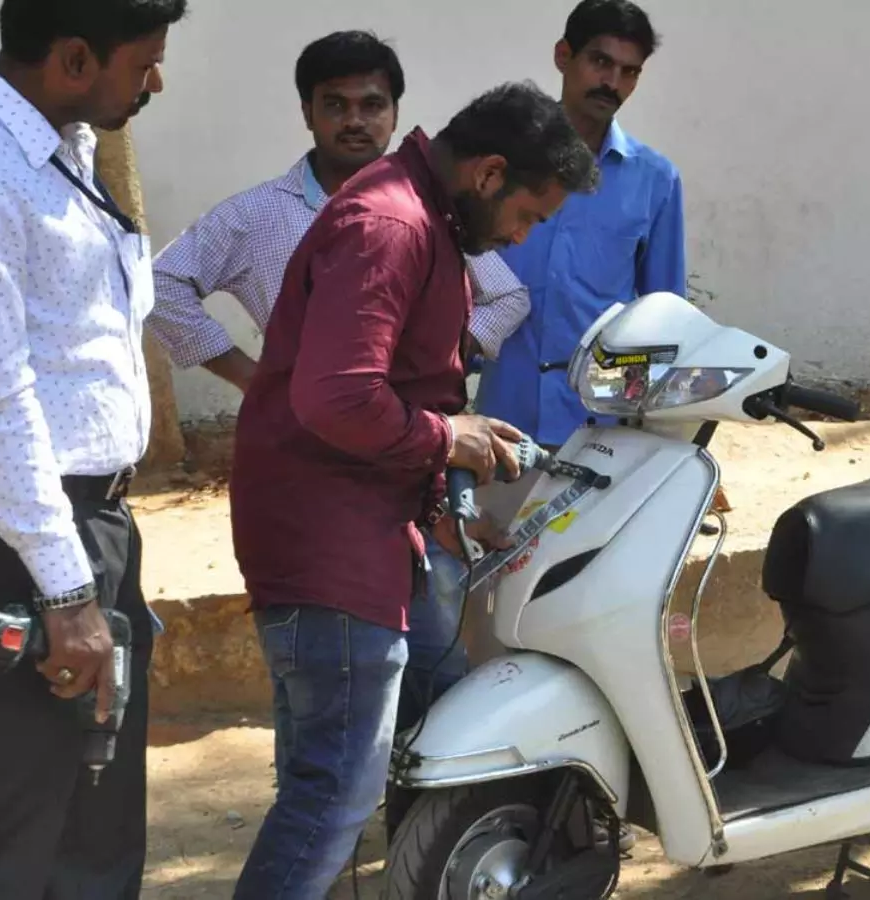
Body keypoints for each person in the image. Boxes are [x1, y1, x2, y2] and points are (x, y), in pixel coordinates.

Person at [228, 81, 597, 898]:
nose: (521, 236)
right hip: (331, 548)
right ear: (489, 174)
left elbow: (394, 386)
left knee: (450, 718)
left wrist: (446, 475)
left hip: (383, 537)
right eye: (527, 215)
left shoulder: (424, 218)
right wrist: (447, 438)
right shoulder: (391, 225)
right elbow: (338, 398)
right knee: (334, 793)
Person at [0, 0, 188, 895]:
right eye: (144, 62)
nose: (157, 81)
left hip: (84, 528)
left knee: (92, 836)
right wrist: (66, 591)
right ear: (76, 58)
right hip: (13, 542)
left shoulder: (62, 147)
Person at [144, 29, 529, 733]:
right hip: (318, 464)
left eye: (372, 104)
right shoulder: (258, 215)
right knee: (344, 701)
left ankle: (429, 795)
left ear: (395, 111)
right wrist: (257, 378)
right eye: (336, 104)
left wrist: (440, 355)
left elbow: (507, 295)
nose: (355, 120)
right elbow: (161, 285)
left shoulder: (433, 208)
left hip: (417, 459)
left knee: (435, 669)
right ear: (307, 112)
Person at [475, 0, 686, 449]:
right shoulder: (500, 162)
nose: (612, 83)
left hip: (600, 427)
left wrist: (646, 422)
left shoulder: (655, 180)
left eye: (629, 72)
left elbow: (664, 314)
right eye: (600, 62)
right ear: (563, 56)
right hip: (501, 417)